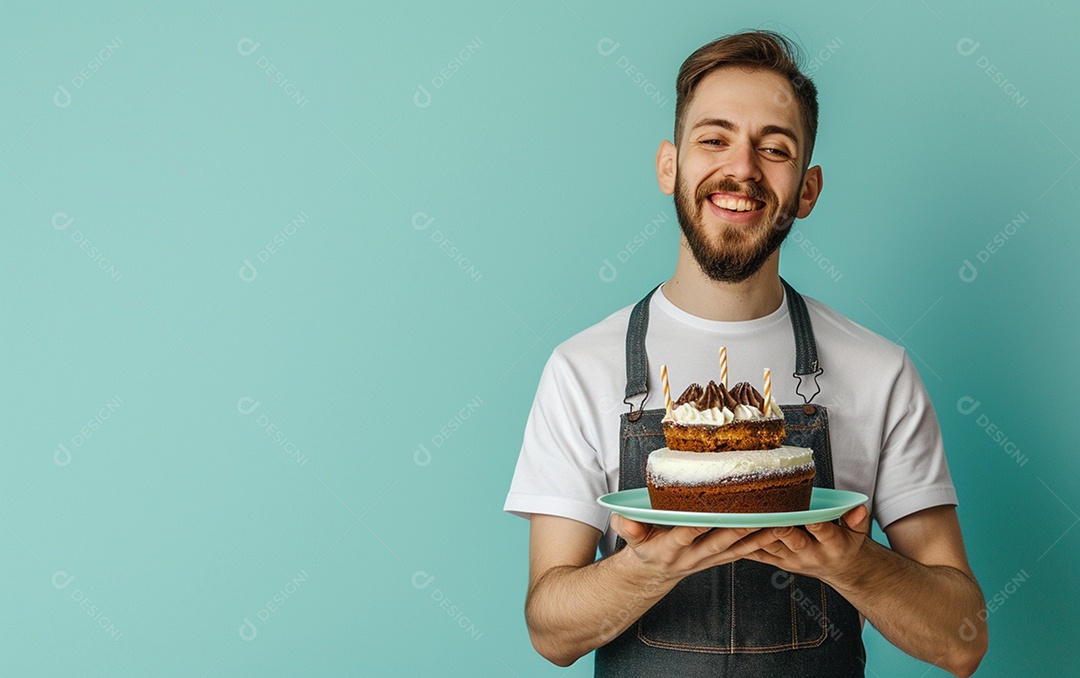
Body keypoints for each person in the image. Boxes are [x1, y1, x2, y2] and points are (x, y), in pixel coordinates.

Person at [503, 30, 989, 676]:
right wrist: (647, 567)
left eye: (775, 148)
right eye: (714, 139)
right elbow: (550, 632)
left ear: (807, 190)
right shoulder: (582, 370)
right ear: (669, 166)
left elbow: (962, 640)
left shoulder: (880, 373)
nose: (743, 168)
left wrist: (853, 563)